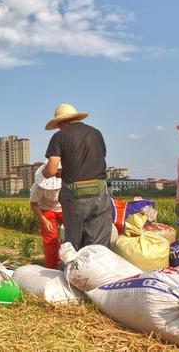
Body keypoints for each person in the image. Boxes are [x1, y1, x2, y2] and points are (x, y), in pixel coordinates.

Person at [42, 103, 111, 251]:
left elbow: (52, 169)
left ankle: (73, 271)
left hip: (75, 195)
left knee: (73, 243)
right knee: (98, 244)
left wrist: (45, 173)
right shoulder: (96, 133)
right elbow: (94, 160)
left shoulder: (59, 136)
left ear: (61, 122)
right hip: (100, 191)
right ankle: (97, 272)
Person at [29, 163, 62, 269]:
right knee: (50, 238)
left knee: (72, 233)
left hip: (64, 207)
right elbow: (33, 204)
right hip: (45, 209)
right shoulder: (38, 187)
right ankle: (52, 268)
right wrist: (43, 219)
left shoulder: (66, 181)